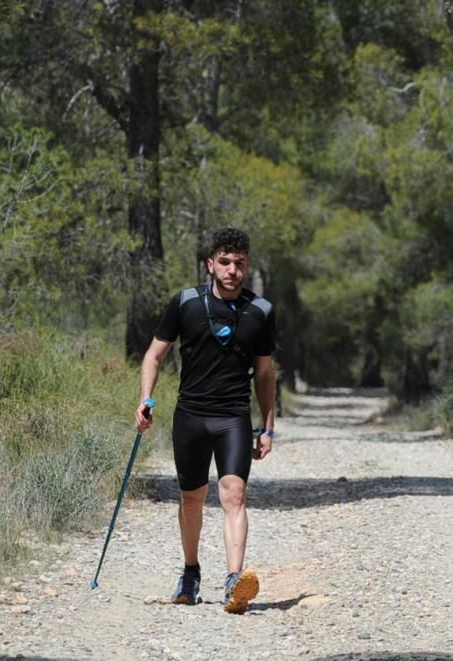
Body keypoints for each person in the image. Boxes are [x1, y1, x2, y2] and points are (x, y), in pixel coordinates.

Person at [135, 226, 276, 614]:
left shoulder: (260, 312)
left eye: (240, 263)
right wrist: (146, 398)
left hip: (233, 417)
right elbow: (153, 356)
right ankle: (191, 572)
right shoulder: (185, 304)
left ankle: (234, 581)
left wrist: (267, 426)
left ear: (246, 267)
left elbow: (264, 374)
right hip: (190, 416)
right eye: (225, 262)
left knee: (234, 494)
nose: (232, 270)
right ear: (211, 263)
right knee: (192, 498)